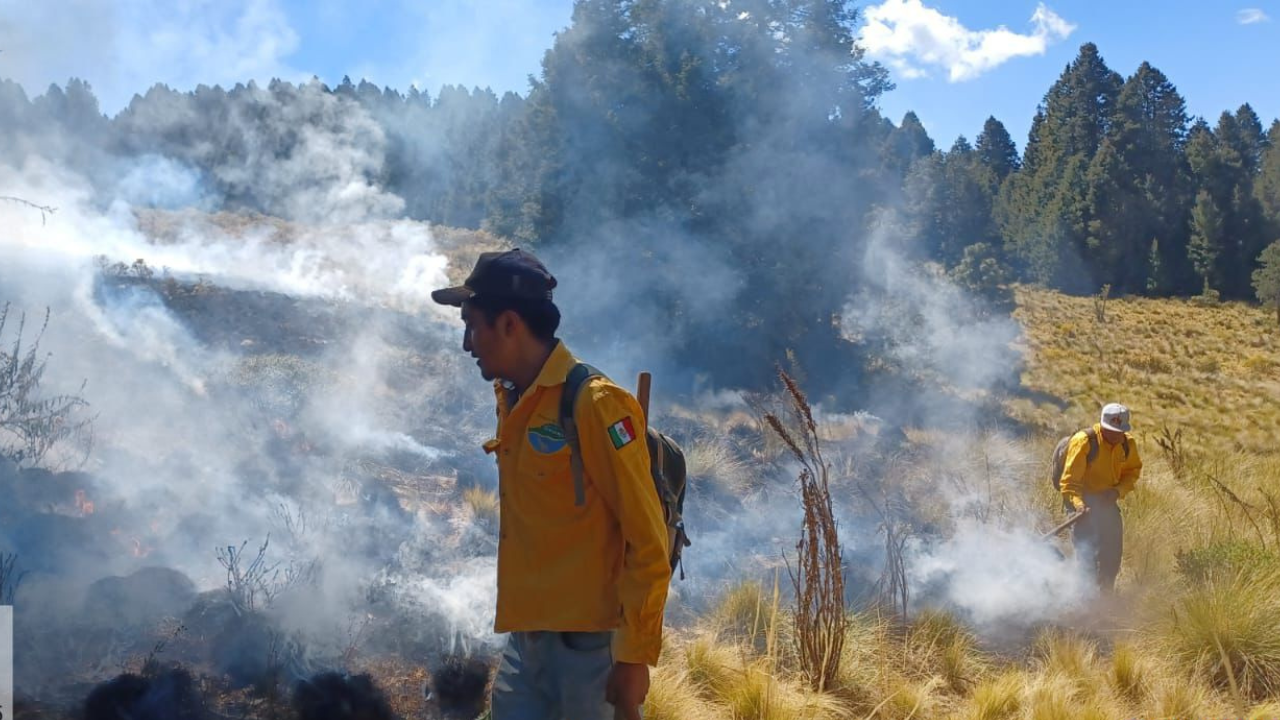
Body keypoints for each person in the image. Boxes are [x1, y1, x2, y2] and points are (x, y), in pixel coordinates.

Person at [431, 249, 670, 720]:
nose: (466, 343)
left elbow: (648, 541)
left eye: (472, 325)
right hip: (527, 645)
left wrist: (633, 658)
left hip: (591, 654)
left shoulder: (595, 403)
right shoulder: (516, 399)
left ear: (509, 324)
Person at [1058, 403, 1143, 592]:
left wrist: (1117, 491)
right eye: (1111, 431)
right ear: (1102, 426)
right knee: (1086, 554)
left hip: (1107, 501)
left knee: (1112, 554)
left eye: (1119, 431)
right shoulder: (1085, 442)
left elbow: (1131, 473)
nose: (1115, 435)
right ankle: (1084, 600)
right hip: (1079, 501)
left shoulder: (1127, 444)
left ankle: (1105, 597)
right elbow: (1070, 483)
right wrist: (1079, 506)